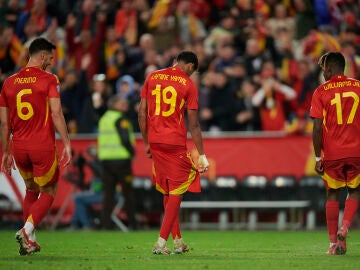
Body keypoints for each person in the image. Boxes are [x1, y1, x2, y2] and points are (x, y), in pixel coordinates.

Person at [0, 37, 72, 255]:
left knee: (31, 189)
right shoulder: (49, 79)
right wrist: (67, 143)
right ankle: (26, 230)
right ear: (41, 56)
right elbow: (57, 113)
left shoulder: (9, 82)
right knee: (49, 191)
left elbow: (4, 122)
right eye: (49, 58)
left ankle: (30, 240)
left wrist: (5, 151)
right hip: (41, 144)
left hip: (19, 146)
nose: (50, 62)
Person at [138, 51, 209, 254]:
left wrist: (146, 143)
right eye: (192, 70)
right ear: (190, 66)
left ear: (175, 62)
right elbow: (194, 125)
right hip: (174, 142)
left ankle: (178, 241)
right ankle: (161, 242)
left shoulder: (152, 76)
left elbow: (141, 113)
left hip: (155, 140)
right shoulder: (188, 84)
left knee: (168, 189)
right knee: (182, 183)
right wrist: (202, 154)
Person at [310, 51, 360, 255]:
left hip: (333, 152)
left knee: (332, 193)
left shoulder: (321, 91)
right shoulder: (358, 86)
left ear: (329, 69)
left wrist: (317, 157)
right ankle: (345, 228)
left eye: (323, 70)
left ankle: (332, 244)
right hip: (357, 150)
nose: (323, 73)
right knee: (355, 191)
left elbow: (316, 127)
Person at [97, 95, 137, 230]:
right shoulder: (121, 119)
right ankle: (133, 224)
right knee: (128, 193)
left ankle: (105, 224)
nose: (125, 105)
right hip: (121, 162)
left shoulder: (104, 119)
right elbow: (125, 139)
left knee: (108, 194)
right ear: (114, 105)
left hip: (106, 161)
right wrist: (132, 153)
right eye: (122, 103)